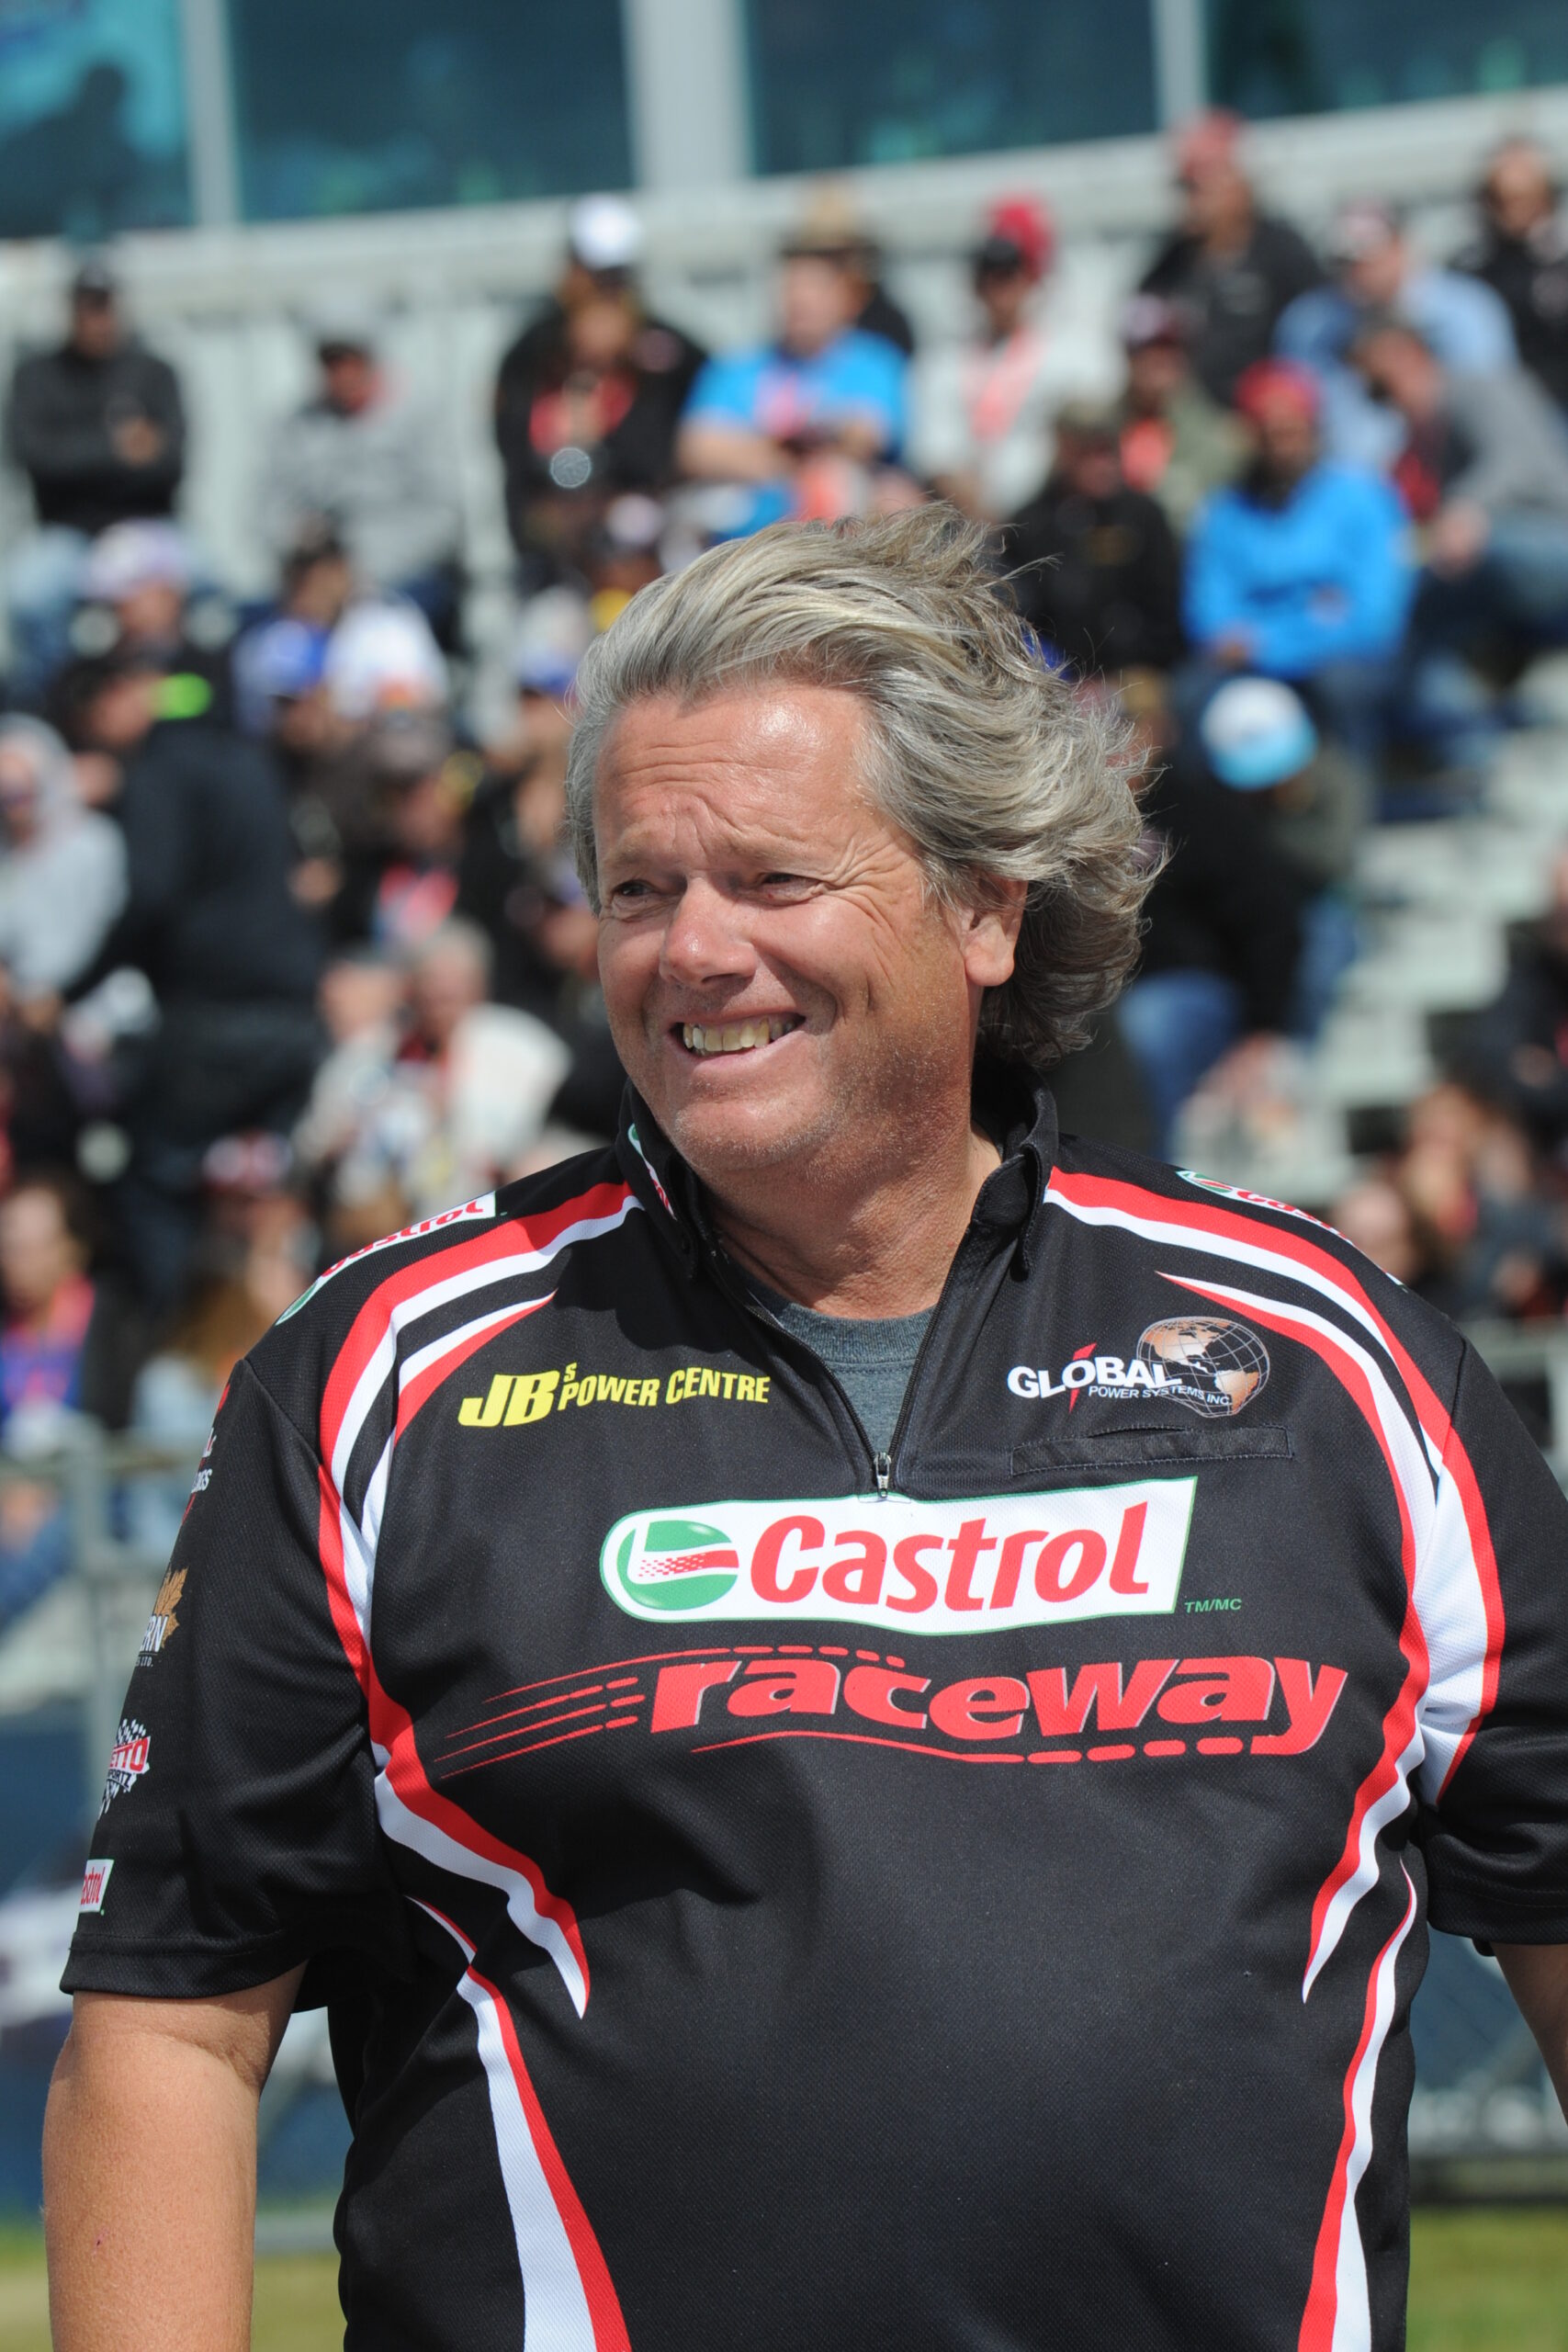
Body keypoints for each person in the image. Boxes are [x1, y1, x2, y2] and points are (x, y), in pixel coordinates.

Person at [48, 508, 1568, 2350]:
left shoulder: (1336, 1358)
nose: (693, 950)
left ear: (984, 907)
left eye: (771, 877)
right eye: (636, 889)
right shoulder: (375, 1375)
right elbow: (174, 2025)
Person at [57, 656, 326, 1311]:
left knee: (154, 1181)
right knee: (269, 1196)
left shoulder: (161, 768)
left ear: (132, 695)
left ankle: (181, 1344)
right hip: (295, 1019)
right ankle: (299, 1336)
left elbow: (149, 895)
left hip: (214, 1020)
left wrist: (70, 989)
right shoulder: (250, 760)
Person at [1351, 317, 1568, 764]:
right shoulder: (1420, 442)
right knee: (1417, 629)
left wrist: (1466, 509)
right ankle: (1476, 752)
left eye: (1382, 383)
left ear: (1409, 355)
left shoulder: (1477, 386)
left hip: (1547, 540)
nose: (1383, 398)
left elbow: (1517, 461)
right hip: (1497, 567)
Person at [1182, 357, 1412, 754]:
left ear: (1314, 428)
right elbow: (1211, 615)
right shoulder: (1225, 513)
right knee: (1188, 697)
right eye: (1268, 434)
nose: (1281, 448)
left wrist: (1268, 641)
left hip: (1340, 661)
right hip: (1252, 665)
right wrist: (1312, 616)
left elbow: (1374, 617)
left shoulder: (1363, 497)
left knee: (1341, 687)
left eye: (1291, 432)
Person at [493, 196, 706, 586]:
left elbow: (675, 453)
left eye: (616, 279)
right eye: (597, 278)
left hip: (652, 555)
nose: (606, 293)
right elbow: (516, 464)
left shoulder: (671, 355)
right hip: (557, 560)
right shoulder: (530, 356)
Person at [4, 257, 186, 702]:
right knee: (26, 594)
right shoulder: (37, 375)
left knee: (208, 586)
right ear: (70, 311)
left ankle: (174, 704)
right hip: (68, 530)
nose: (96, 319)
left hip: (145, 527)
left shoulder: (153, 372)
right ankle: (56, 703)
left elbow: (171, 463)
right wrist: (117, 450)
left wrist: (79, 455)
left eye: (103, 306)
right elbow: (35, 458)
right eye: (87, 307)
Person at [677, 226, 908, 536]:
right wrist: (801, 454)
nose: (800, 301)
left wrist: (759, 449)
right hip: (747, 527)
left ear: (845, 296)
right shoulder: (737, 367)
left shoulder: (874, 361)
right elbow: (698, 449)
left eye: (814, 288)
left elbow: (863, 439)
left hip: (841, 523)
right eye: (791, 288)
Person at [258, 306, 463, 645]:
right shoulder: (298, 426)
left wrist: (357, 569)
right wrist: (300, 541)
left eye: (351, 360)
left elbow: (444, 516)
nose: (342, 373)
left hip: (399, 578)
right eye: (331, 362)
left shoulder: (418, 416)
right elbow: (266, 510)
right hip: (314, 581)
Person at [1276, 198, 1516, 469]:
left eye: (1369, 257)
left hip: (1455, 467)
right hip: (1351, 477)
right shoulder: (1311, 323)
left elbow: (1489, 408)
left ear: (1400, 247)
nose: (1359, 272)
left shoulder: (1468, 309)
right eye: (1346, 262)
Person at [908, 196, 1083, 520]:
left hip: (1049, 514)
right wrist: (983, 514)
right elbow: (936, 454)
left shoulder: (1072, 356)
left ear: (1031, 278)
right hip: (966, 518)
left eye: (1010, 274)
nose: (999, 288)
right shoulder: (944, 361)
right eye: (988, 274)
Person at [1138, 109, 1322, 406]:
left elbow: (1319, 335)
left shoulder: (1283, 252)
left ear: (1239, 184)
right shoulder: (1168, 265)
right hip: (1193, 417)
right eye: (1184, 188)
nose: (1190, 201)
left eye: (1200, 187)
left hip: (1268, 415)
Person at [1003, 400, 1183, 675]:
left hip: (1133, 672)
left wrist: (1124, 672)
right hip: (1053, 674)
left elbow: (1165, 615)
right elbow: (1020, 616)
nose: (1104, 465)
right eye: (1090, 453)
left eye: (1109, 451)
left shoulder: (1143, 517)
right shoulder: (1032, 523)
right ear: (1065, 451)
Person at [1114, 292, 1246, 537]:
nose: (1160, 362)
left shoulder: (1221, 435)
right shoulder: (1101, 426)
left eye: (1171, 349)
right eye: (1148, 349)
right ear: (1128, 355)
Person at [1454, 139, 1568, 413]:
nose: (1512, 209)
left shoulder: (1560, 260)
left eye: (1523, 196)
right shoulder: (1471, 269)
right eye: (1500, 199)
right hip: (1512, 405)